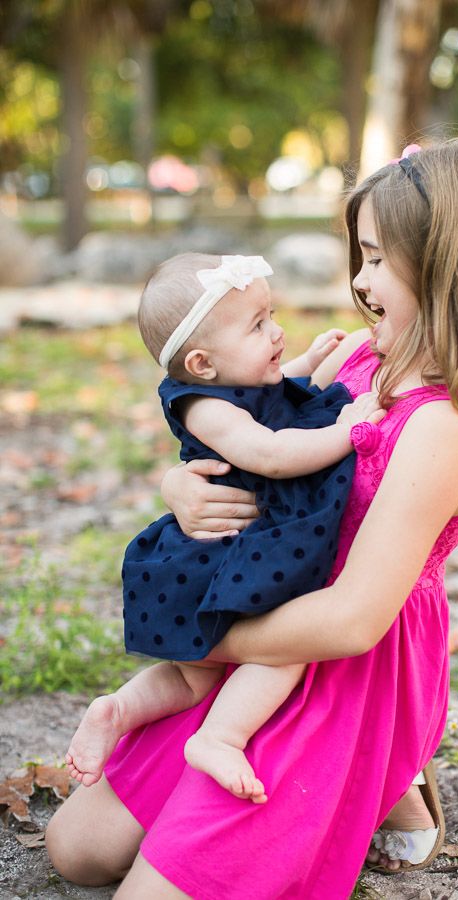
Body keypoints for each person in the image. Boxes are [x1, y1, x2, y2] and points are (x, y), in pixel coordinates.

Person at [46, 137, 458, 899]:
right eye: (361, 255)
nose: (360, 281)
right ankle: (381, 790)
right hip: (277, 619)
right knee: (77, 851)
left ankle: (381, 770)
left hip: (341, 659)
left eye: (378, 259)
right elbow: (247, 432)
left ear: (450, 264)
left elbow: (353, 622)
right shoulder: (364, 359)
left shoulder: (446, 427)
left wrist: (207, 633)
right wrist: (179, 485)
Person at [65, 251, 383, 802]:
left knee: (192, 675)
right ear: (203, 365)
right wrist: (346, 431)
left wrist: (304, 362)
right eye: (258, 326)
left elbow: (273, 393)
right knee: (284, 650)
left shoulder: (231, 377)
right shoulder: (204, 407)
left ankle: (118, 709)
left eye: (271, 314)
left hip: (231, 549)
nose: (277, 331)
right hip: (237, 553)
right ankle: (220, 736)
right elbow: (273, 452)